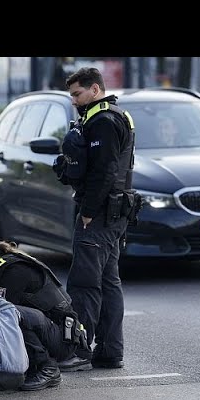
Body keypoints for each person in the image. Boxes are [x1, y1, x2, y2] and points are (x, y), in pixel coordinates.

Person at [61, 67, 136, 369]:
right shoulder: (113, 115)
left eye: (77, 94)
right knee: (107, 282)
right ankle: (108, 351)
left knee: (85, 284)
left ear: (95, 89)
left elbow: (105, 172)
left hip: (101, 214)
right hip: (114, 212)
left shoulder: (104, 120)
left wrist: (89, 212)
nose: (74, 101)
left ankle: (78, 351)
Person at [0, 231, 90, 391]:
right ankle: (33, 363)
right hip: (51, 331)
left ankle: (47, 368)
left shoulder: (13, 271)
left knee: (7, 314)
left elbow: (0, 316)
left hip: (64, 341)